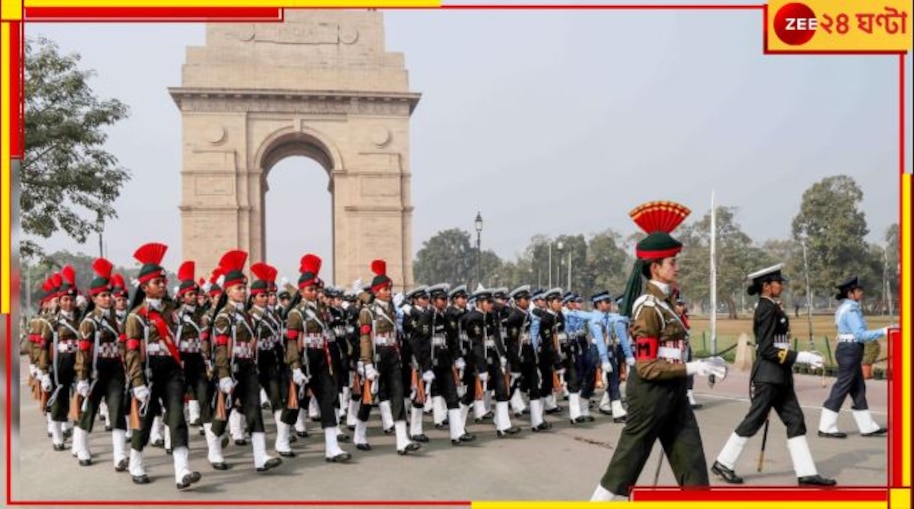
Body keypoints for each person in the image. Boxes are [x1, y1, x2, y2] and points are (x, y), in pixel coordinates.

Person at [591, 201, 726, 501]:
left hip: (674, 392)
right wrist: (694, 368)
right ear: (655, 268)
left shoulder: (665, 304)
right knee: (625, 467)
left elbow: (674, 351)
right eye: (671, 263)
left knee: (693, 467)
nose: (676, 267)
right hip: (650, 394)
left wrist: (701, 364)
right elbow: (648, 366)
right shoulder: (647, 308)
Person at [711, 263, 836, 486]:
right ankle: (724, 462)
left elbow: (779, 343)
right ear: (767, 286)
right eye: (779, 282)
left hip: (780, 375)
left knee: (795, 420)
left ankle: (806, 472)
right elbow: (768, 348)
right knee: (754, 419)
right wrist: (801, 357)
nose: (782, 286)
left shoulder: (772, 306)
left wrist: (798, 356)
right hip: (769, 376)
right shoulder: (766, 308)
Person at [123, 243, 202, 489]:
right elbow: (132, 353)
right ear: (145, 287)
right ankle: (135, 462)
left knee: (177, 418)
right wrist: (137, 382)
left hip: (171, 369)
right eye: (157, 282)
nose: (162, 285)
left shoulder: (173, 312)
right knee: (145, 421)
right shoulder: (136, 316)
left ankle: (182, 471)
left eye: (163, 280)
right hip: (148, 371)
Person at [285, 254, 350, 463]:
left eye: (317, 290)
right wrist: (295, 367)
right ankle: (282, 438)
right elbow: (292, 343)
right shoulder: (296, 313)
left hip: (322, 359)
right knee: (296, 402)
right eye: (311, 290)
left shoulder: (323, 311)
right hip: (304, 360)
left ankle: (332, 448)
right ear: (302, 291)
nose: (315, 293)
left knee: (327, 399)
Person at [356, 259, 421, 455]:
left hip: (393, 354)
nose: (388, 291)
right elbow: (365, 339)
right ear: (376, 291)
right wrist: (367, 363)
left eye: (390, 288)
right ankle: (359, 433)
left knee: (398, 394)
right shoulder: (368, 311)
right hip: (376, 355)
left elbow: (416, 327)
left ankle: (402, 440)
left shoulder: (394, 308)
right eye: (385, 288)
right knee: (369, 397)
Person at [817, 276, 891, 438]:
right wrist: (885, 331)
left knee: (858, 388)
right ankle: (826, 427)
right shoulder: (851, 310)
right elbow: (861, 335)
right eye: (858, 290)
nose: (861, 292)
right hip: (850, 350)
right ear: (850, 293)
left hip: (848, 350)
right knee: (842, 387)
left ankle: (867, 426)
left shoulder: (846, 307)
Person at [73, 258, 128, 471]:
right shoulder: (88, 322)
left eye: (109, 295)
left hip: (114, 369)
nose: (108, 299)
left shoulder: (116, 320)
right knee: (89, 409)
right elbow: (83, 353)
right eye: (103, 296)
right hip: (95, 370)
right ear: (94, 298)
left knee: (116, 409)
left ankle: (120, 456)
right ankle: (82, 447)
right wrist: (82, 378)